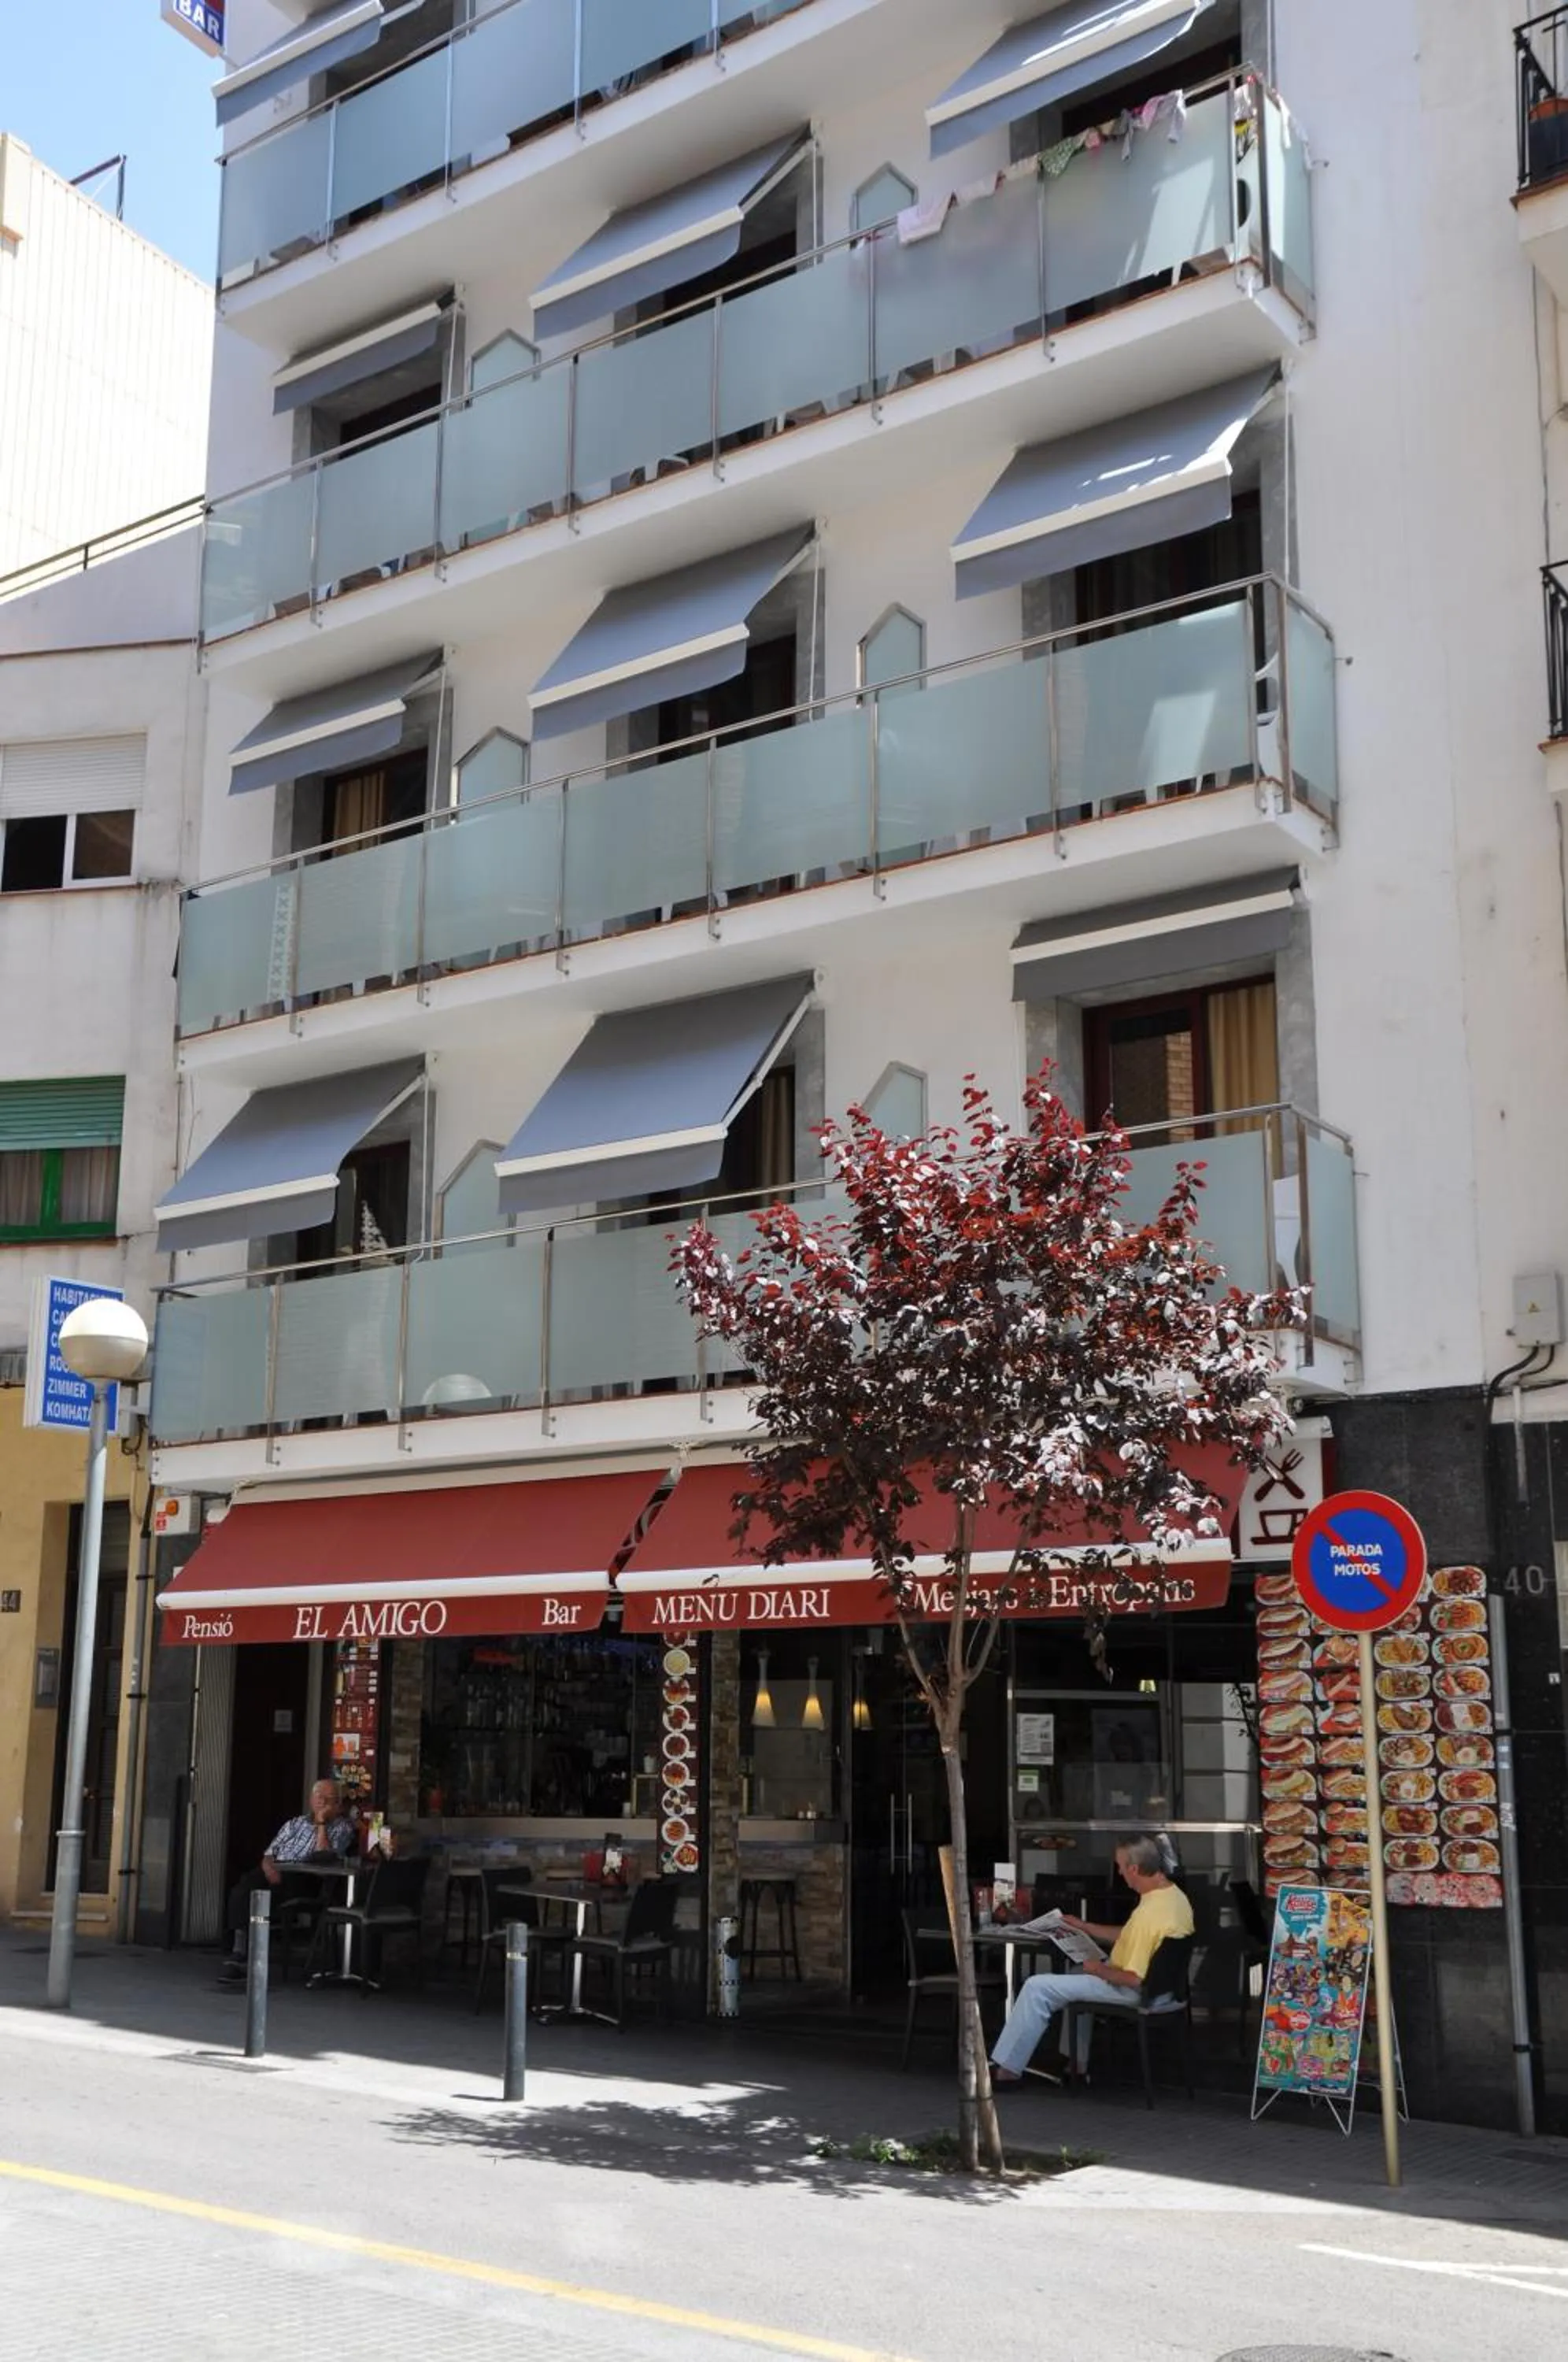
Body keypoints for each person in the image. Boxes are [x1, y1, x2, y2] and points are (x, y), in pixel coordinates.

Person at [989, 1834, 1193, 2085]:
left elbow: (1133, 1978)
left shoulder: (1150, 1913)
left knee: (1036, 1987)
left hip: (1137, 1991)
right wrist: (1085, 1927)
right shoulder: (1172, 1896)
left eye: (1120, 1866)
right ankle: (1077, 2063)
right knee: (1077, 1975)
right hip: (1165, 1992)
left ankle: (1008, 2070)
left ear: (1134, 1869)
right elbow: (1131, 1935)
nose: (1119, 1873)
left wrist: (1098, 1970)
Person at [217, 1778, 357, 1987]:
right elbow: (270, 1853)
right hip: (277, 1869)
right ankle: (239, 1953)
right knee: (244, 1888)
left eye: (328, 1799)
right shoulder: (295, 1823)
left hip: (306, 1877)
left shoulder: (343, 1827)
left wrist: (321, 1823)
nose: (321, 1803)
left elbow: (324, 1856)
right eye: (318, 1797)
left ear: (338, 1805)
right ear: (310, 1799)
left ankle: (253, 1956)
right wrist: (268, 1866)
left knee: (265, 1899)